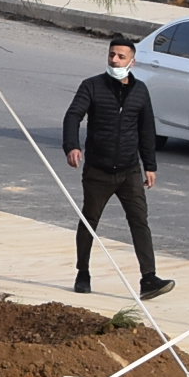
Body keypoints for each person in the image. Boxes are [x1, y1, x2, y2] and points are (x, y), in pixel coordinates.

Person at [61, 37, 172, 299]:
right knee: (89, 220)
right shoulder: (92, 86)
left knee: (139, 221)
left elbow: (147, 130)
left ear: (133, 61)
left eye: (121, 57)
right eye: (112, 55)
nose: (115, 60)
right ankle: (83, 272)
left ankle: (149, 279)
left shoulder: (140, 91)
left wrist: (150, 166)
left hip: (129, 171)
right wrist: (72, 147)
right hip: (98, 171)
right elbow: (73, 115)